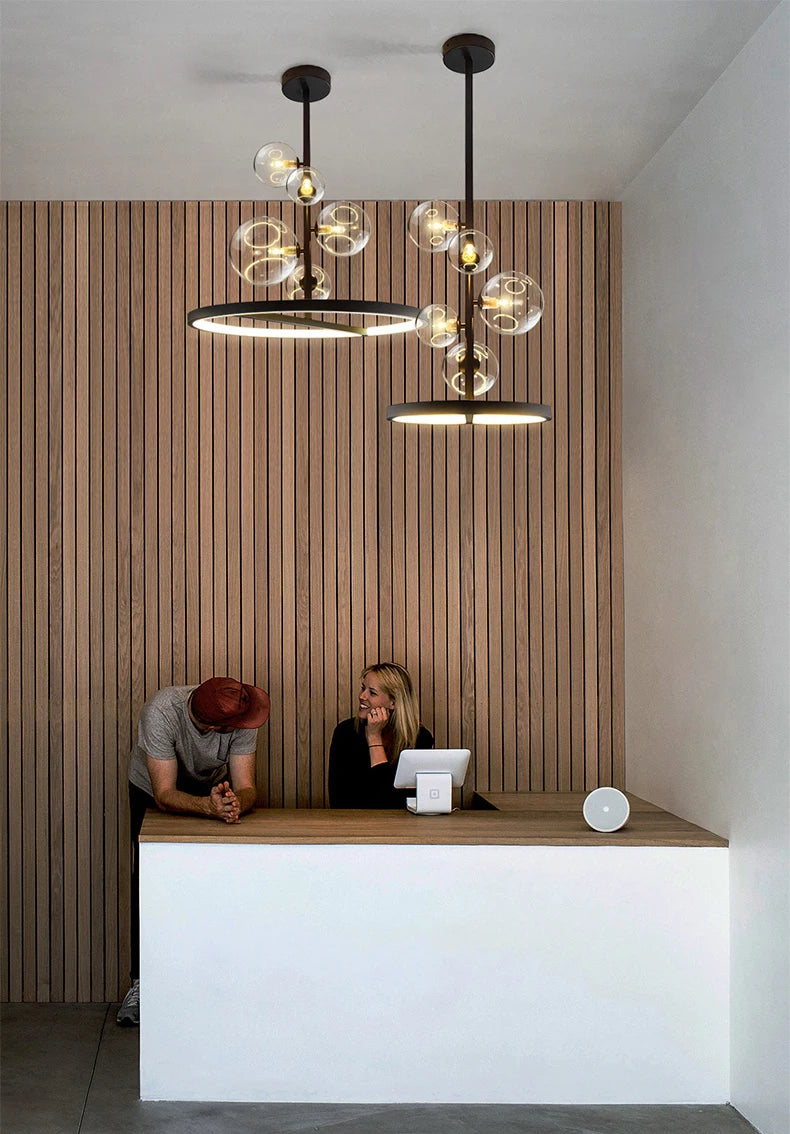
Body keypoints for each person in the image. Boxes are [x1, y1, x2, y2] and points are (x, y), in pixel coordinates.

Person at [117, 676, 270, 1027]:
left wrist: (234, 804)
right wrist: (208, 808)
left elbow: (247, 786)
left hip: (213, 787)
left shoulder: (243, 710)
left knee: (217, 878)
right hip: (155, 787)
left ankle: (211, 985)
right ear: (215, 726)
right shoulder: (161, 713)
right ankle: (142, 984)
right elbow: (165, 794)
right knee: (152, 883)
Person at [328, 662, 433, 808]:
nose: (361, 696)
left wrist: (374, 738)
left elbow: (394, 803)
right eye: (363, 689)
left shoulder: (420, 738)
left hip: (402, 828)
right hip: (353, 825)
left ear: (393, 702)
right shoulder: (345, 732)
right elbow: (340, 800)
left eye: (372, 692)